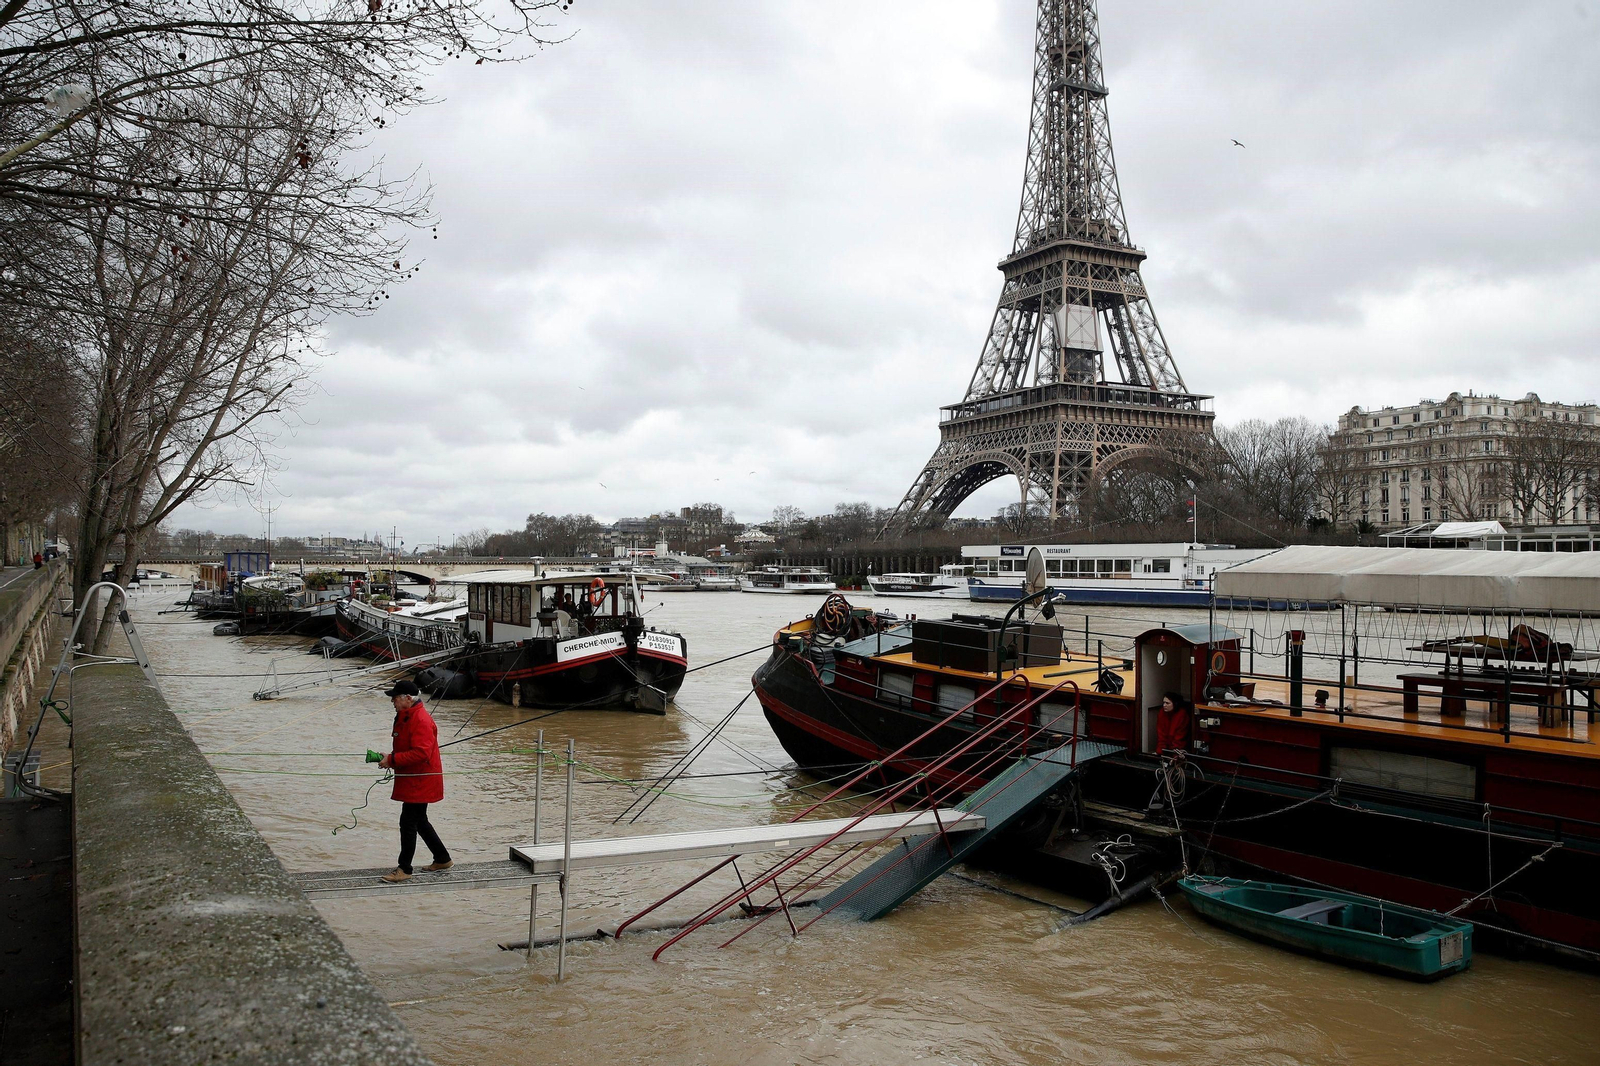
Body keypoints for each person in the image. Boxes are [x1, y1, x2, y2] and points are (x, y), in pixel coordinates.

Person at [378, 679, 452, 883]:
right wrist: (390, 757)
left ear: (408, 698)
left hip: (421, 780)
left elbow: (420, 753)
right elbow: (409, 747)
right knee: (419, 820)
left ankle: (404, 869)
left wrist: (392, 760)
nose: (392, 702)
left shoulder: (420, 719)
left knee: (408, 822)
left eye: (395, 698)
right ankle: (442, 858)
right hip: (416, 778)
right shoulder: (408, 716)